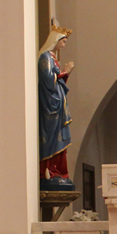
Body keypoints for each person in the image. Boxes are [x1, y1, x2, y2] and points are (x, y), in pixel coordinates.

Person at [38, 22, 74, 187]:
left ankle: (57, 171)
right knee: (52, 138)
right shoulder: (46, 56)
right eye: (63, 41)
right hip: (50, 106)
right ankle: (49, 170)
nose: (64, 44)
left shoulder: (52, 57)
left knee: (60, 137)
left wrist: (63, 73)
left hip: (58, 104)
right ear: (56, 39)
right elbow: (47, 80)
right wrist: (65, 71)